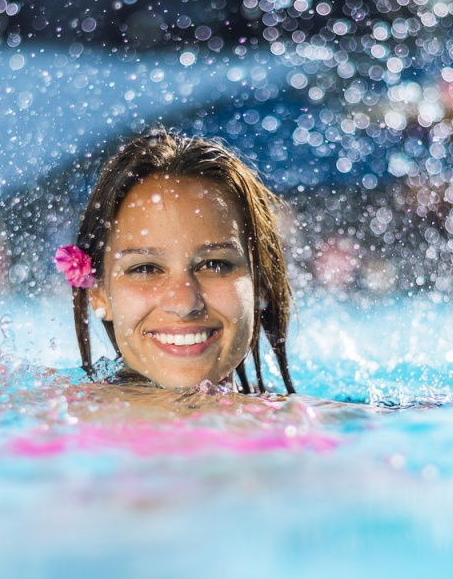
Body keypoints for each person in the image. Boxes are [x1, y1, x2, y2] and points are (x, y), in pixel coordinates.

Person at [53, 129, 300, 415]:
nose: (184, 303)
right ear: (98, 293)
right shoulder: (49, 419)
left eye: (215, 265)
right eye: (145, 268)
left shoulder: (312, 430)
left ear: (260, 284)